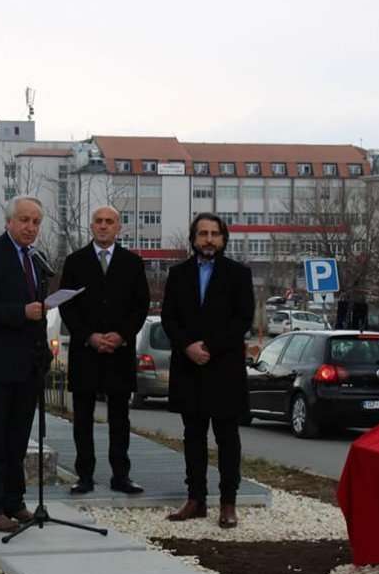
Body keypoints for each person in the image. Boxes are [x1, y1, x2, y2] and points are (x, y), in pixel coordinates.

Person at [160, 212, 254, 529]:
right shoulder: (178, 274)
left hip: (224, 368)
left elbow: (243, 320)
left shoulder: (238, 274)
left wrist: (209, 348)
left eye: (215, 233)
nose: (209, 239)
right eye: (203, 233)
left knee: (227, 438)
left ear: (224, 238)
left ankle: (228, 502)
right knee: (193, 437)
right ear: (193, 238)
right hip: (189, 369)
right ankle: (195, 499)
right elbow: (169, 318)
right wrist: (188, 347)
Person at [0, 195, 50, 532]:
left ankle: (14, 501)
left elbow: (37, 311)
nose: (30, 227)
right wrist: (21, 312)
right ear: (9, 222)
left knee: (18, 438)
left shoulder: (36, 260)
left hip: (27, 365)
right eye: (25, 220)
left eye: (36, 222)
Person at [59, 206, 150, 496]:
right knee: (82, 418)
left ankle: (121, 475)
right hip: (86, 352)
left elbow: (141, 305)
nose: (103, 226)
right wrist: (89, 336)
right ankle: (84, 475)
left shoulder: (133, 263)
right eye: (98, 221)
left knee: (119, 418)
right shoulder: (75, 262)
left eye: (109, 222)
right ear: (91, 226)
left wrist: (122, 335)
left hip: (119, 353)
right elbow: (67, 305)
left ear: (118, 227)